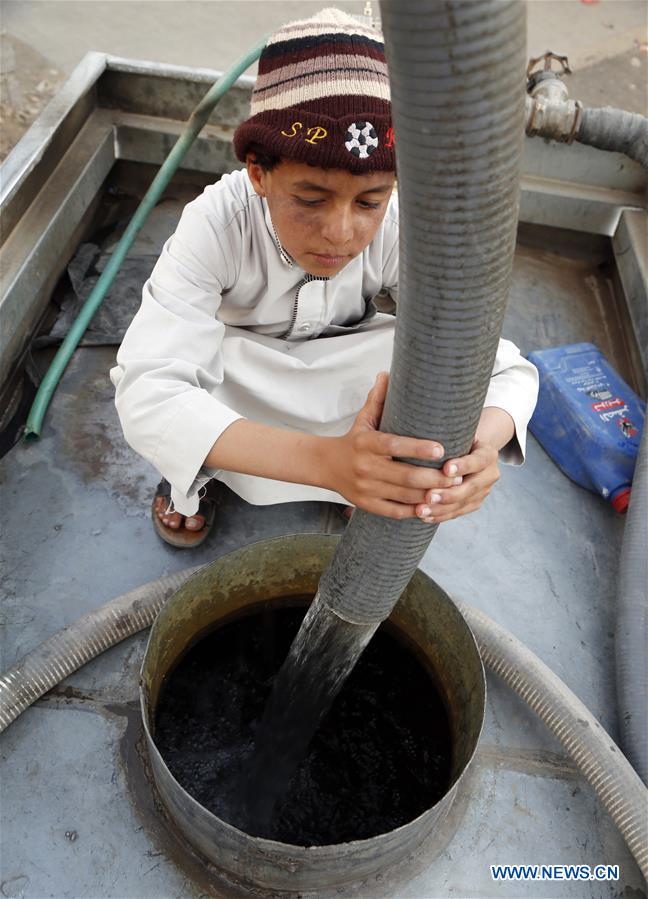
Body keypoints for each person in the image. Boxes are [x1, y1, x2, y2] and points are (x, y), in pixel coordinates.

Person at [109, 7, 539, 548]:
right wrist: (328, 463)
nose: (341, 232)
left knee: (430, 372)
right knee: (190, 384)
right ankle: (202, 476)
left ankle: (371, 477)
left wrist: (474, 451)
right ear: (259, 174)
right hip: (242, 382)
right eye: (311, 199)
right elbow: (148, 393)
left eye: (370, 201)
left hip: (339, 373)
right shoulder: (216, 222)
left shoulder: (403, 226)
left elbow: (507, 371)